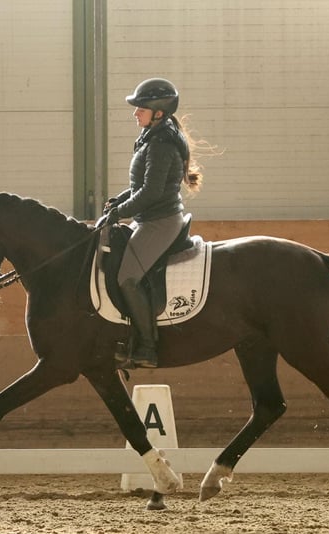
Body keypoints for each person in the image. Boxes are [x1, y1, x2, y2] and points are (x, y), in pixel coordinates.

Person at [103, 78, 204, 368]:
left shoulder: (161, 144)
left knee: (127, 277)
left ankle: (147, 347)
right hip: (149, 217)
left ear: (158, 112)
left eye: (140, 109)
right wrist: (118, 202)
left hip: (159, 221)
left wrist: (119, 211)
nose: (135, 113)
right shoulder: (153, 135)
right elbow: (140, 187)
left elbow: (151, 193)